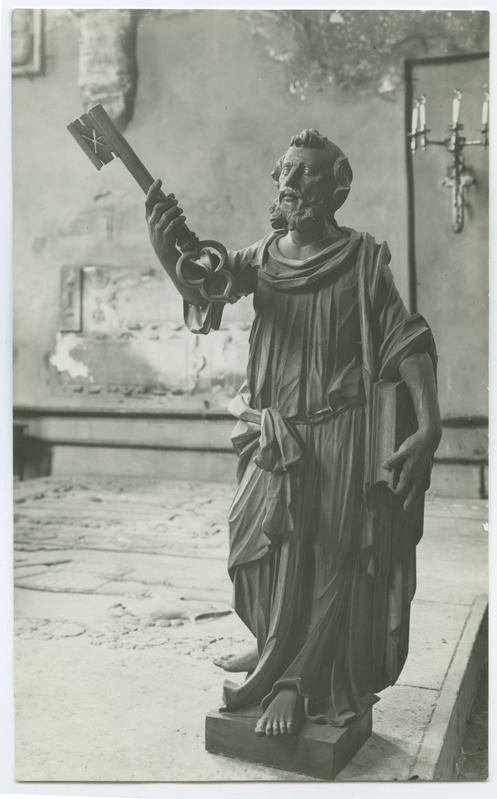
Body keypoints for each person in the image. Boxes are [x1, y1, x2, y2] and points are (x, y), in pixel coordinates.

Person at [145, 129, 441, 738]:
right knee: (253, 544)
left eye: (306, 173)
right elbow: (207, 280)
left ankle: (297, 680)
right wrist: (166, 249)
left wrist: (431, 424)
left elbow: (405, 338)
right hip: (275, 432)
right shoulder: (263, 256)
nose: (290, 182)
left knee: (328, 550)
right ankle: (272, 639)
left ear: (338, 186)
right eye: (285, 170)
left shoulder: (359, 259)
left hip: (341, 433)